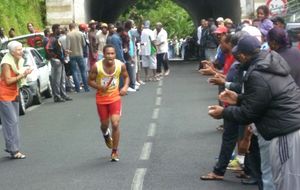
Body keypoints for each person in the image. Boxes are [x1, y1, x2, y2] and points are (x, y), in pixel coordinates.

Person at [208, 35, 300, 190]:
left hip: (285, 132)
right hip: (290, 125)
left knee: (286, 181)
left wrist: (223, 112)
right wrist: (238, 98)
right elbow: (263, 97)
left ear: (243, 55)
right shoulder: (270, 62)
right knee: (284, 178)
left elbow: (248, 114)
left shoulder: (257, 73)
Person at [88, 44, 129, 162]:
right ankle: (106, 134)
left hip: (115, 98)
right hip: (101, 99)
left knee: (115, 124)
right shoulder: (97, 66)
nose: (110, 56)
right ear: (104, 54)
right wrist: (100, 87)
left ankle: (115, 151)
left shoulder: (120, 65)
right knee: (104, 125)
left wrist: (125, 87)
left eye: (112, 53)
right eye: (108, 54)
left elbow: (126, 77)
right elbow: (89, 81)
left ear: (115, 54)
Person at [0, 41, 32, 159]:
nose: (21, 51)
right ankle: (14, 150)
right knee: (11, 122)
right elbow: (8, 81)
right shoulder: (6, 63)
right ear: (12, 52)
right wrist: (23, 75)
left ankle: (11, 147)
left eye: (21, 49)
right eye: (19, 49)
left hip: (14, 93)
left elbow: (16, 78)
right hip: (4, 95)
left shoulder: (16, 59)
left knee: (14, 122)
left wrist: (25, 73)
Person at [45, 24, 72, 103]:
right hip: (57, 60)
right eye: (59, 29)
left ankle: (63, 94)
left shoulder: (57, 38)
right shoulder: (51, 38)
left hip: (61, 60)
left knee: (62, 79)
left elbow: (58, 49)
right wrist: (56, 57)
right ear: (55, 29)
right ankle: (57, 96)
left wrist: (64, 52)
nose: (60, 30)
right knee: (57, 80)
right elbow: (48, 49)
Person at [66, 23, 89, 93]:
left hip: (72, 55)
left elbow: (68, 46)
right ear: (75, 27)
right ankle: (86, 87)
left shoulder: (68, 35)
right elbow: (84, 44)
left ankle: (77, 88)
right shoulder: (80, 34)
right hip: (80, 54)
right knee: (83, 71)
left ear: (69, 27)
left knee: (74, 71)